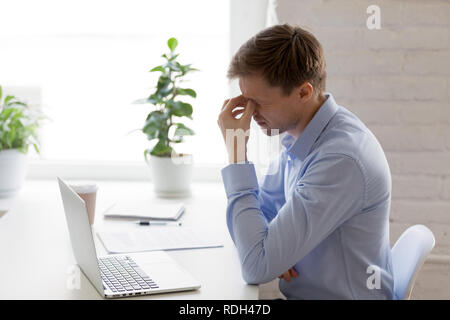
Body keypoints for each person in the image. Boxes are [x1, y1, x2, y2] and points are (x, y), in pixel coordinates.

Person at [217, 24, 394, 299]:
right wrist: (270, 250)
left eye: (259, 103)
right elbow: (258, 222)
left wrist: (236, 150)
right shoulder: (301, 134)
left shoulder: (339, 160)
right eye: (245, 101)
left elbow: (256, 265)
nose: (250, 115)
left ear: (303, 92)